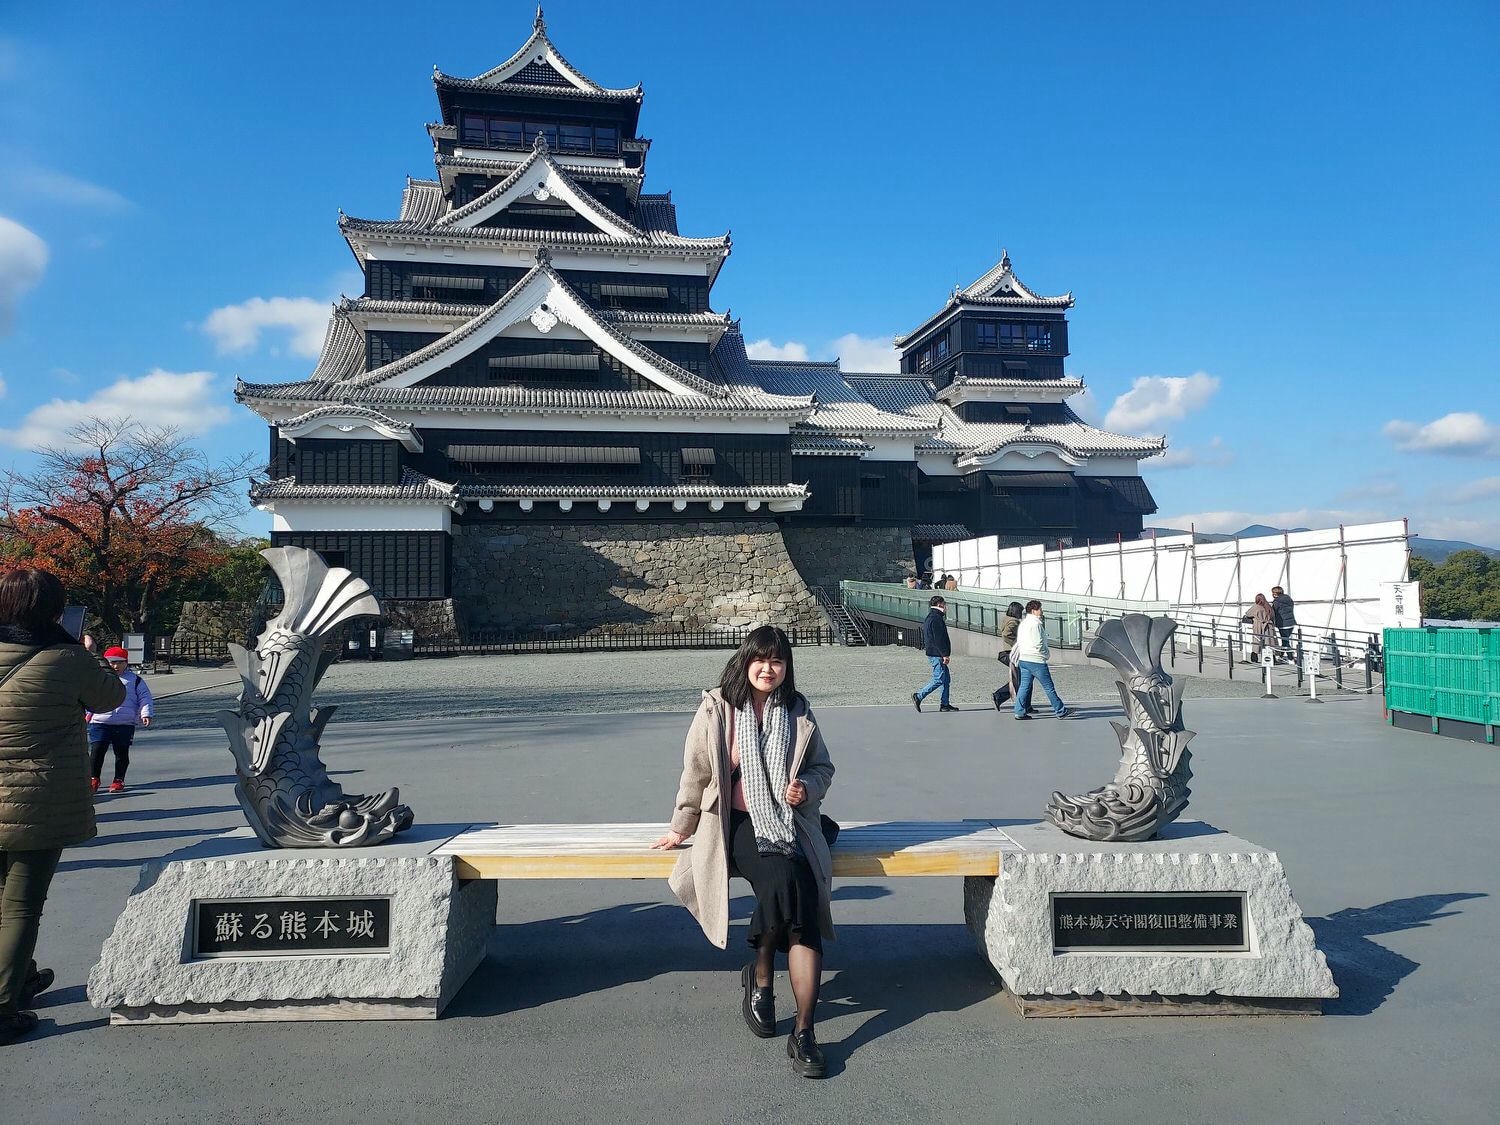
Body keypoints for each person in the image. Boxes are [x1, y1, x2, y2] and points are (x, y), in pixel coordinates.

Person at [651, 626, 836, 1078]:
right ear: (746, 661)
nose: (768, 669)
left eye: (777, 661)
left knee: (798, 897)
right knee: (785, 882)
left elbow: (822, 768)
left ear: (787, 666)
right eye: (760, 659)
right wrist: (680, 827)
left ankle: (802, 1029)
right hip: (733, 823)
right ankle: (762, 977)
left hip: (787, 821)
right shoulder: (718, 708)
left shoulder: (797, 710)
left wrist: (805, 788)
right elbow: (696, 773)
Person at [0, 568, 125, 1044]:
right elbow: (111, 696)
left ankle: (20, 976)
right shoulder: (67, 657)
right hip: (36, 800)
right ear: (55, 609)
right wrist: (83, 650)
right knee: (21, 906)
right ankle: (4, 1006)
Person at [87, 647, 154, 794]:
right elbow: (89, 697)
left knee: (121, 753)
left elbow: (145, 697)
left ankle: (118, 779)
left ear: (126, 663)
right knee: (97, 751)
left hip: (124, 723)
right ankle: (93, 778)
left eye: (120, 662)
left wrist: (146, 714)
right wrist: (87, 714)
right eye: (112, 663)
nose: (115, 666)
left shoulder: (135, 680)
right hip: (100, 721)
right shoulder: (98, 679)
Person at [1012, 600, 1071, 720]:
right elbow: (1038, 643)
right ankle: (1060, 710)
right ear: (1034, 611)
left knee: (1024, 686)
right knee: (1049, 687)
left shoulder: (1023, 623)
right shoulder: (1036, 624)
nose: (1042, 611)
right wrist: (1046, 654)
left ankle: (1019, 711)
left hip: (1024, 658)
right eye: (1040, 609)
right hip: (1036, 660)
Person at [912, 595, 956, 712]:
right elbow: (939, 639)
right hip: (937, 654)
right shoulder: (936, 619)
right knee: (939, 679)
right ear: (940, 604)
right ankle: (919, 696)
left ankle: (945, 704)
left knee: (945, 679)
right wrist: (945, 654)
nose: (946, 607)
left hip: (934, 652)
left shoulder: (931, 617)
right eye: (944, 604)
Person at [991, 601, 1026, 711]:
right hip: (1012, 652)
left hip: (1008, 652)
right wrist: (1016, 642)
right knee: (1020, 679)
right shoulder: (1013, 622)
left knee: (1019, 678)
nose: (1022, 613)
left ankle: (1024, 704)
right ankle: (999, 695)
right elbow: (1006, 634)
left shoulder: (1006, 619)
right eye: (1020, 611)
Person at [1243, 593, 1276, 663]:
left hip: (1259, 625)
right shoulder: (1268, 606)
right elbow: (1273, 615)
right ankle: (1272, 658)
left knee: (1257, 641)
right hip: (1268, 625)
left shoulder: (1256, 607)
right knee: (1269, 642)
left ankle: (1254, 658)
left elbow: (1248, 613)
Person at [1271, 586, 1297, 662]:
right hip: (1291, 622)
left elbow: (1273, 612)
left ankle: (1290, 658)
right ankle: (1280, 655)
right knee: (1285, 640)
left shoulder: (1276, 602)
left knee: (1285, 641)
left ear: (1275, 593)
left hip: (1283, 624)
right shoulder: (1288, 599)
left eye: (1273, 593)